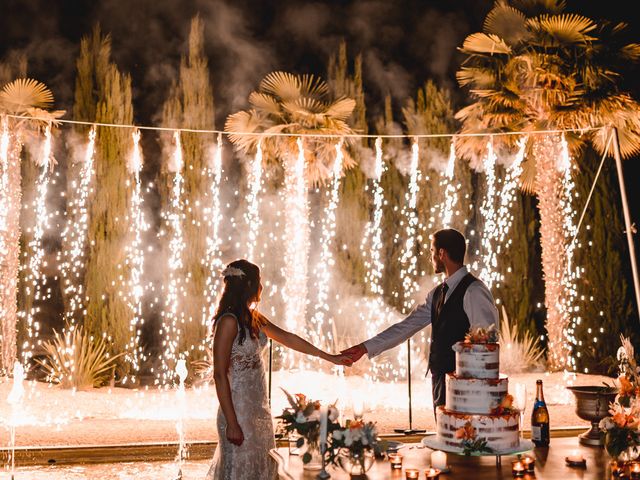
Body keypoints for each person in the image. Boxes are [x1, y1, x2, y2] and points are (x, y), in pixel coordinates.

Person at [206, 259, 352, 480]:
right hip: (237, 411)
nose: (262, 287)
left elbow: (288, 338)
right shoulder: (228, 321)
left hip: (258, 411)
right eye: (259, 282)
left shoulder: (252, 317)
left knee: (264, 468)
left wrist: (329, 357)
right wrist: (232, 422)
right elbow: (219, 374)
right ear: (248, 285)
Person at [341, 228, 498, 418]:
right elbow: (407, 326)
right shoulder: (437, 293)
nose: (430, 257)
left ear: (441, 253)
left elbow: (487, 342)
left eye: (432, 251)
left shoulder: (474, 291)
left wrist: (475, 388)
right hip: (440, 382)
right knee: (445, 437)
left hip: (468, 389)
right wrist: (365, 348)